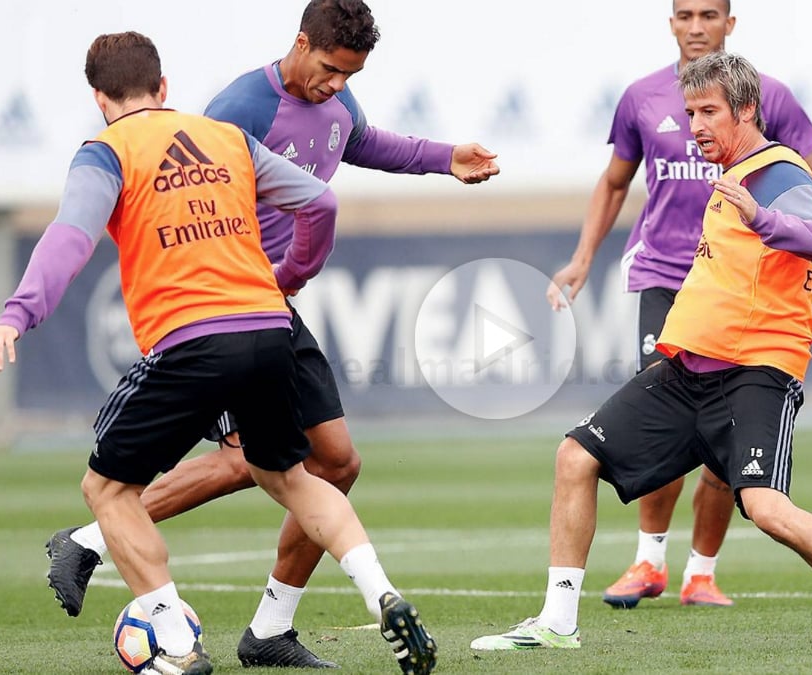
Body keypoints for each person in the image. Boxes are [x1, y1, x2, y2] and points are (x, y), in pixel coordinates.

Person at [44, 0, 498, 669]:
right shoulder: (237, 108)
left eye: (351, 75)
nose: (337, 85)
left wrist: (442, 157)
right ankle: (91, 536)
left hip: (275, 300)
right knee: (250, 461)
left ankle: (268, 628)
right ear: (301, 43)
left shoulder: (337, 103)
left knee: (338, 463)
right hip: (228, 302)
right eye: (330, 68)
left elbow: (366, 145)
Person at [473, 52, 812, 653]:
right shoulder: (733, 178)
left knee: (769, 510)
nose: (694, 125)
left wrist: (767, 222)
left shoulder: (775, 173)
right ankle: (557, 623)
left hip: (754, 376)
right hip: (689, 370)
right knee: (574, 458)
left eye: (708, 112)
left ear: (747, 110)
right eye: (690, 111)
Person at [547, 0, 812, 610]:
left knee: (723, 428)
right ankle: (649, 561)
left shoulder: (769, 96)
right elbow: (615, 181)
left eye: (709, 14)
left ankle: (701, 571)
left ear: (731, 23)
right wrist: (581, 258)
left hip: (745, 288)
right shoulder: (642, 98)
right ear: (671, 24)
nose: (696, 25)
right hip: (666, 276)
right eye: (684, 14)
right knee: (660, 401)